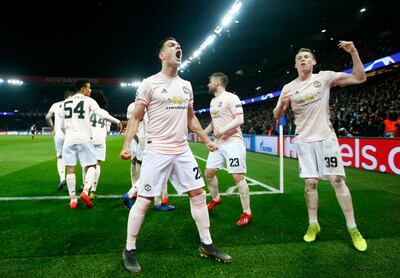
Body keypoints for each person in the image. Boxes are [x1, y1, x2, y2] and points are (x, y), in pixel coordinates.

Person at [120, 37, 231, 274]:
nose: (177, 47)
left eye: (179, 45)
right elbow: (136, 117)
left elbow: (190, 117)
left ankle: (206, 243)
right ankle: (129, 249)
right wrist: (127, 144)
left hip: (182, 150)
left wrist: (206, 140)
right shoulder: (149, 84)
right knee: (145, 200)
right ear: (161, 55)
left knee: (198, 194)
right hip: (157, 150)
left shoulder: (186, 85)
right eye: (171, 45)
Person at [273, 41, 368, 251]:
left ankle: (353, 228)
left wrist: (354, 52)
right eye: (299, 58)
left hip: (326, 139)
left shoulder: (324, 77)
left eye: (306, 57)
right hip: (304, 141)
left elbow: (360, 77)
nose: (303, 59)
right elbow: (277, 116)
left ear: (314, 62)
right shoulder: (288, 88)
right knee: (310, 184)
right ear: (295, 65)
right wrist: (281, 105)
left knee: (336, 180)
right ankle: (313, 225)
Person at [60, 79, 121, 209]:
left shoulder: (65, 103)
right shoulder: (89, 101)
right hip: (84, 138)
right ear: (82, 89)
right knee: (92, 165)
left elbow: (61, 126)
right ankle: (86, 190)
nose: (90, 90)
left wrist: (69, 135)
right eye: (89, 88)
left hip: (69, 139)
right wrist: (117, 121)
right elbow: (101, 113)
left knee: (70, 168)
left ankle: (72, 200)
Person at [204, 72, 252, 226]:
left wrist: (222, 130)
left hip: (233, 142)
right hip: (219, 143)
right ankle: (216, 199)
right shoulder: (213, 102)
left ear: (217, 82)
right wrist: (202, 133)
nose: (208, 84)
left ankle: (247, 212)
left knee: (237, 177)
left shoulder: (231, 97)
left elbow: (240, 119)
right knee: (209, 174)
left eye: (210, 81)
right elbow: (213, 123)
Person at [122, 101, 175, 211]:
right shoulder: (151, 108)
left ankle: (141, 196)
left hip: (136, 143)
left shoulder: (132, 107)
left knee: (140, 171)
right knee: (156, 173)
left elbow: (130, 121)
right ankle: (133, 195)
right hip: (149, 144)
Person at [45, 90, 74, 191]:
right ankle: (81, 183)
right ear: (71, 96)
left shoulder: (56, 104)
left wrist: (52, 128)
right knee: (73, 156)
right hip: (71, 133)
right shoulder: (75, 104)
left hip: (59, 133)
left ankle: (62, 178)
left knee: (60, 156)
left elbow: (48, 116)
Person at [87, 90, 111, 199]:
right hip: (100, 140)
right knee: (97, 165)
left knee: (87, 164)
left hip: (88, 139)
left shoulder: (87, 111)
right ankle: (93, 190)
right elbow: (108, 129)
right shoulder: (105, 113)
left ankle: (85, 186)